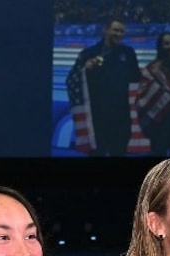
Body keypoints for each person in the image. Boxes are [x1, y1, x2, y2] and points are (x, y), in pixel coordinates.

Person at [66, 18, 140, 156]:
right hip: (96, 118)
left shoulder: (128, 53)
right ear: (106, 30)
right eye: (115, 30)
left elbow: (138, 79)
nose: (119, 34)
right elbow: (71, 80)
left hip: (121, 118)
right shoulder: (89, 54)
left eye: (122, 31)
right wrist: (85, 69)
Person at [136, 31, 170, 157]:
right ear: (160, 46)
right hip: (159, 121)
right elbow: (143, 96)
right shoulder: (153, 68)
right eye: (166, 43)